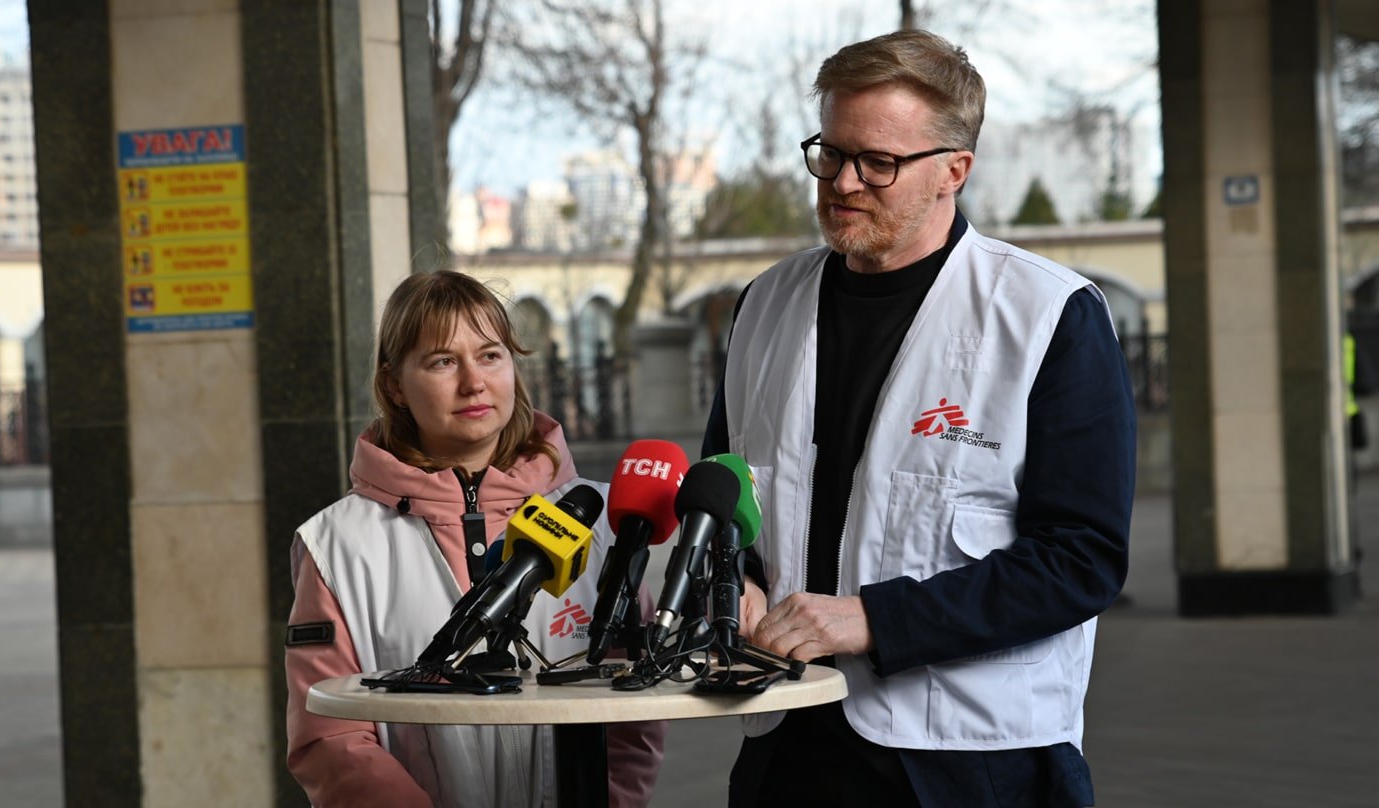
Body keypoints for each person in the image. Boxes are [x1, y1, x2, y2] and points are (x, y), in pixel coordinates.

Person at [703, 30, 1136, 808]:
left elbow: (1081, 559)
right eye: (828, 153)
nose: (842, 182)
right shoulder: (764, 305)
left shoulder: (1047, 315)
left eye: (878, 162)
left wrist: (872, 618)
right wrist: (732, 580)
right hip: (788, 745)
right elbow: (719, 496)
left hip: (973, 759)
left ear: (954, 171)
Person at [285, 271, 665, 807]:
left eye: (490, 355)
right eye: (442, 361)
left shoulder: (602, 520)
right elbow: (331, 737)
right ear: (394, 384)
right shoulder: (338, 544)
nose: (473, 382)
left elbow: (635, 713)